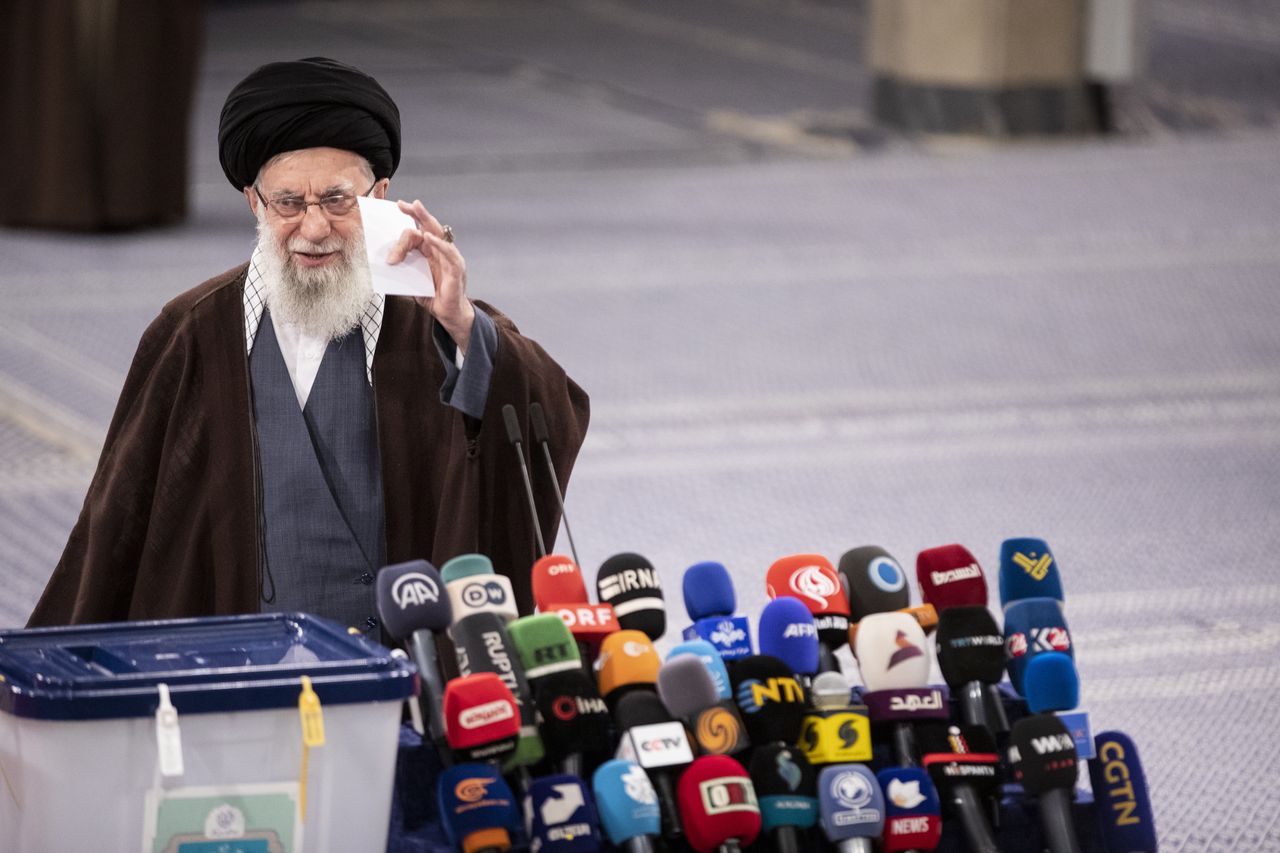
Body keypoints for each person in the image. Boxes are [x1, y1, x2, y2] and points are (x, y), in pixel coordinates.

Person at [27, 57, 589, 631]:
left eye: (337, 201)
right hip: (249, 676)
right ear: (254, 202)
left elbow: (547, 414)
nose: (314, 227)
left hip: (405, 680)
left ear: (381, 194)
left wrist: (464, 327)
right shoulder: (192, 330)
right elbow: (120, 523)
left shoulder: (433, 318)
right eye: (288, 203)